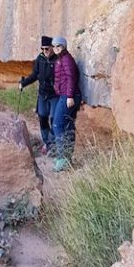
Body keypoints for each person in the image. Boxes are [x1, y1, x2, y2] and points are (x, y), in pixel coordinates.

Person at [19, 35, 57, 155]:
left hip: (55, 95)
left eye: (47, 49)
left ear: (52, 48)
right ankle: (47, 142)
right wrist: (23, 83)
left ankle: (51, 143)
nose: (45, 51)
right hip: (42, 94)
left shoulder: (58, 60)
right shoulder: (39, 59)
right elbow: (35, 74)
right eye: (43, 49)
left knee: (54, 119)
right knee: (42, 118)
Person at [50, 36, 82, 171]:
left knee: (57, 124)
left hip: (69, 96)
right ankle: (67, 158)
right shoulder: (61, 58)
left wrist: (69, 96)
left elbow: (71, 77)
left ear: (64, 46)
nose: (56, 49)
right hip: (66, 95)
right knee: (68, 126)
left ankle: (62, 158)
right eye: (54, 46)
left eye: (59, 46)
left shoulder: (66, 59)